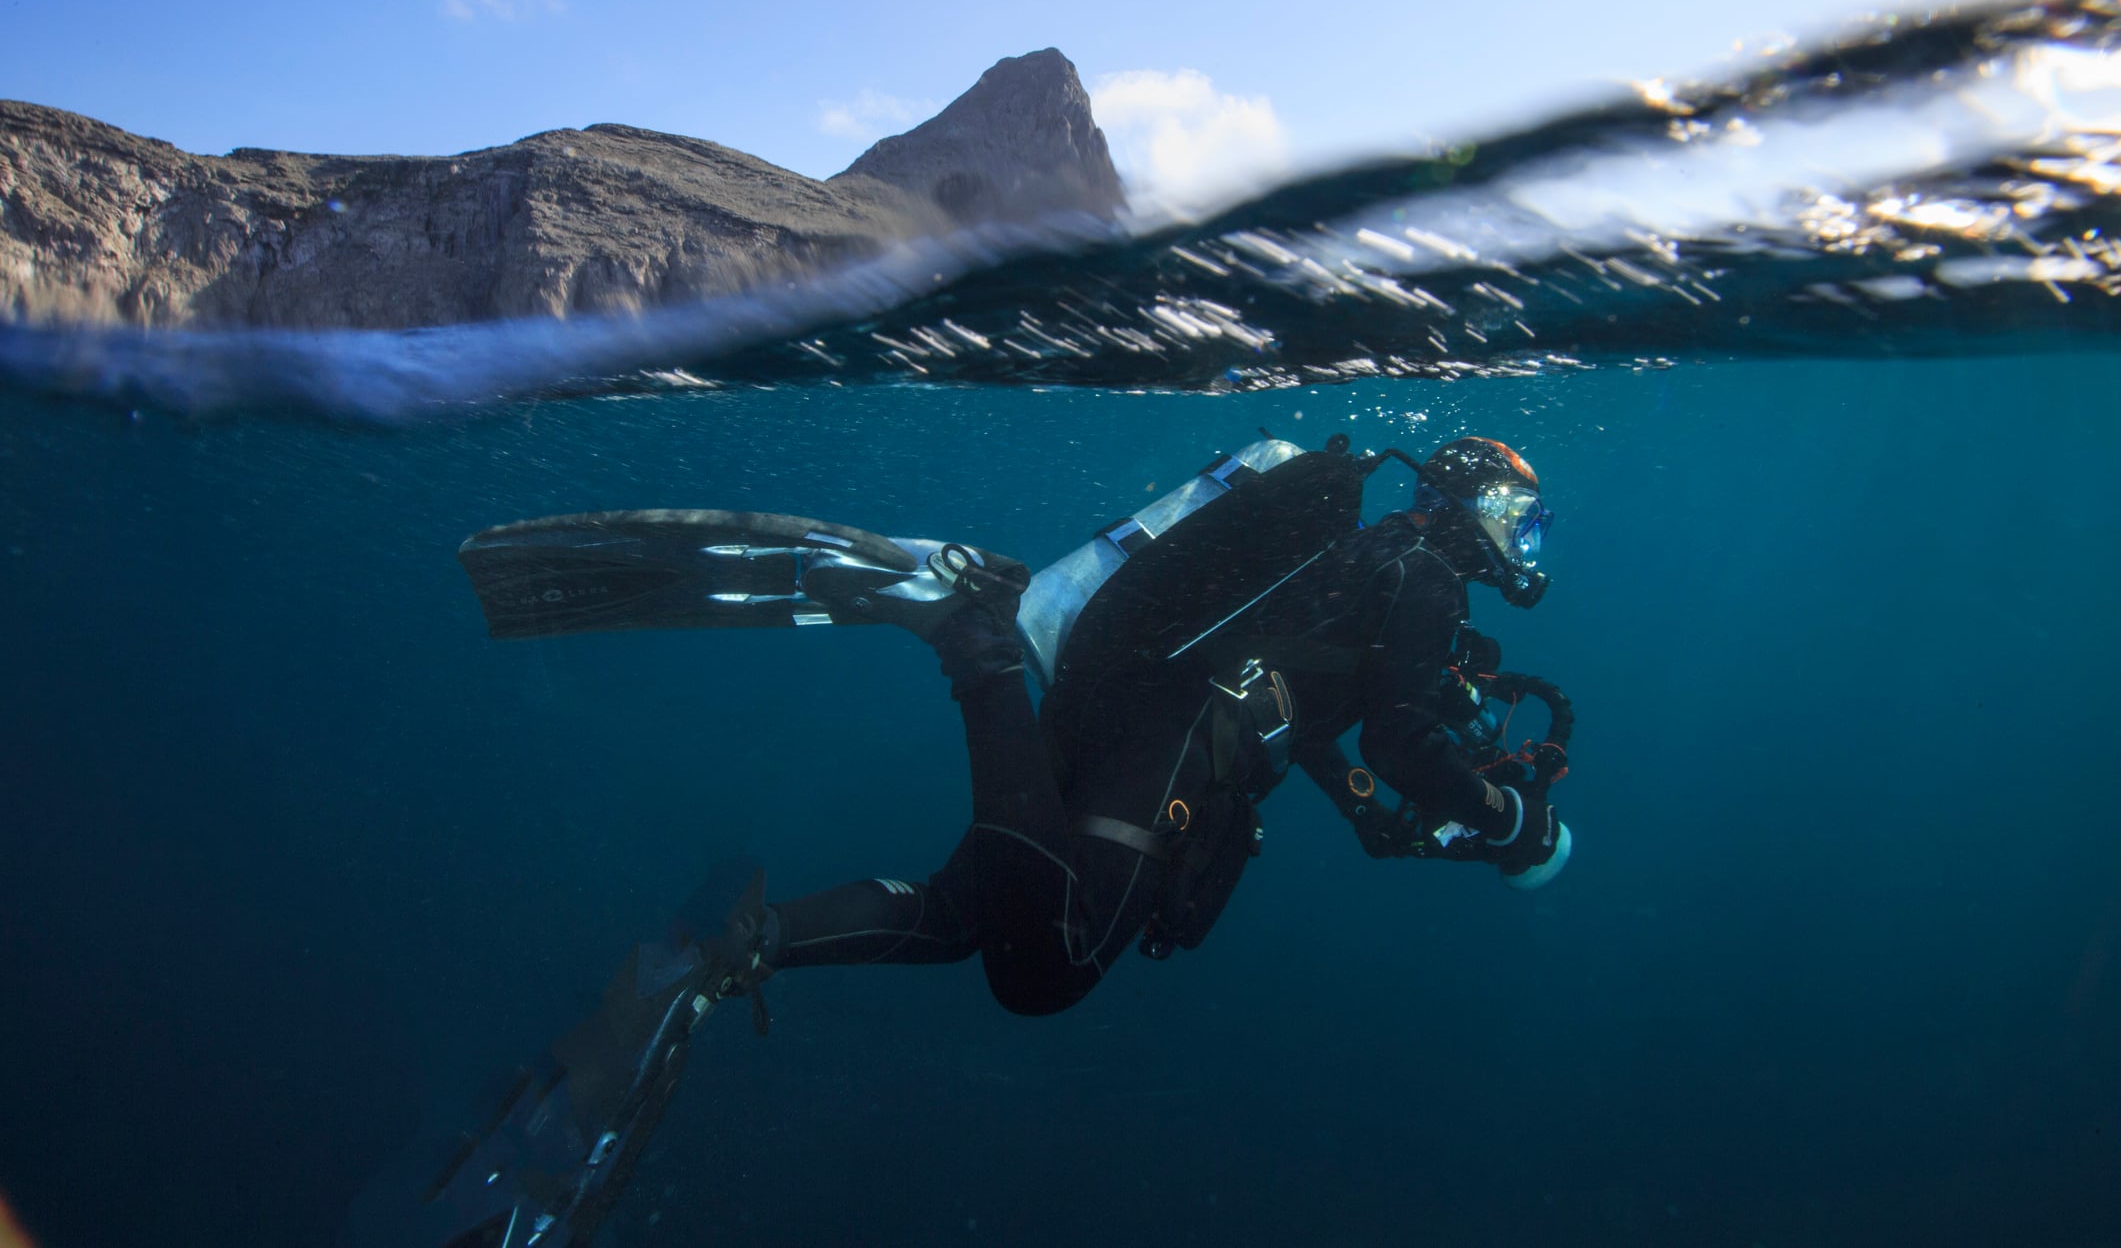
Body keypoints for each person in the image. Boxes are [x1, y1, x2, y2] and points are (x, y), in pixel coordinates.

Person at [423, 434, 1575, 1245]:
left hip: (1128, 713)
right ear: (1468, 502)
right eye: (1519, 513)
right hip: (1169, 746)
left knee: (969, 913)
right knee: (1048, 965)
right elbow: (1411, 733)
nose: (1523, 538)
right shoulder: (1425, 578)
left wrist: (1376, 805)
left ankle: (738, 943)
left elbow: (1324, 709)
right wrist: (1513, 818)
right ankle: (968, 639)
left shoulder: (1364, 554)